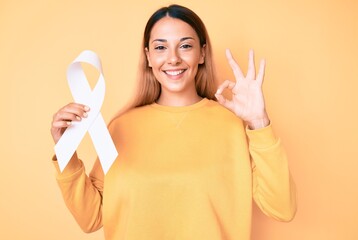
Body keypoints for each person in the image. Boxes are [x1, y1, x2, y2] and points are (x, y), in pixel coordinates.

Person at [51, 4, 296, 240]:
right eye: (160, 48)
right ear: (148, 56)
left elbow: (282, 208)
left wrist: (259, 122)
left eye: (185, 46)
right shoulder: (121, 127)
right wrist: (66, 150)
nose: (173, 58)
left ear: (201, 53)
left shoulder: (233, 126)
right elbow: (91, 217)